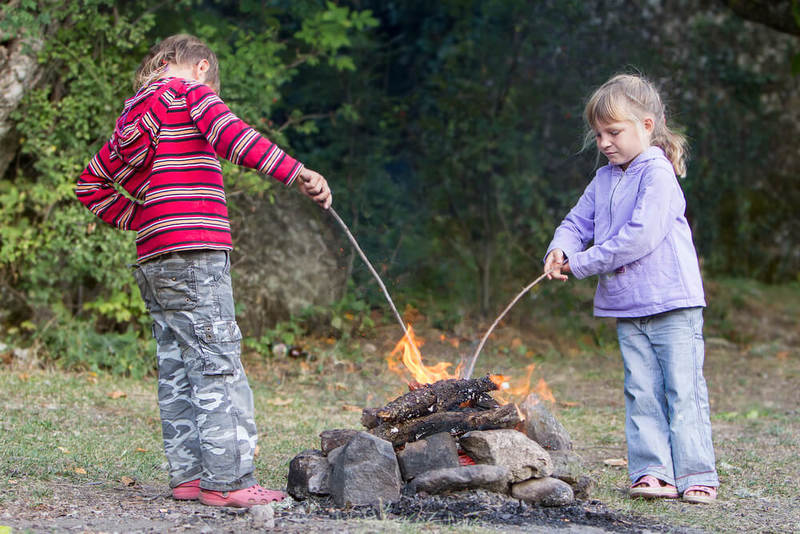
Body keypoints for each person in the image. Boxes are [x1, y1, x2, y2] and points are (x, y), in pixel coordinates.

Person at [75, 34, 331, 508]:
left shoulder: (134, 116)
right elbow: (235, 138)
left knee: (176, 367)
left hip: (154, 259)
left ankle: (189, 477)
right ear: (200, 67)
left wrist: (142, 218)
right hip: (195, 253)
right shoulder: (190, 93)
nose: (213, 92)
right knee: (217, 362)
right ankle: (230, 480)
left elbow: (91, 184)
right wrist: (298, 174)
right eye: (211, 81)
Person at [543, 73, 719, 504]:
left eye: (614, 132)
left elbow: (638, 238)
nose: (604, 142)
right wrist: (559, 248)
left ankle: (697, 473)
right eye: (599, 134)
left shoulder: (657, 174)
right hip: (629, 307)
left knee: (682, 389)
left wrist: (580, 262)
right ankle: (652, 472)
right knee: (640, 390)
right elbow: (576, 222)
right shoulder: (604, 179)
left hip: (673, 303)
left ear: (646, 125)